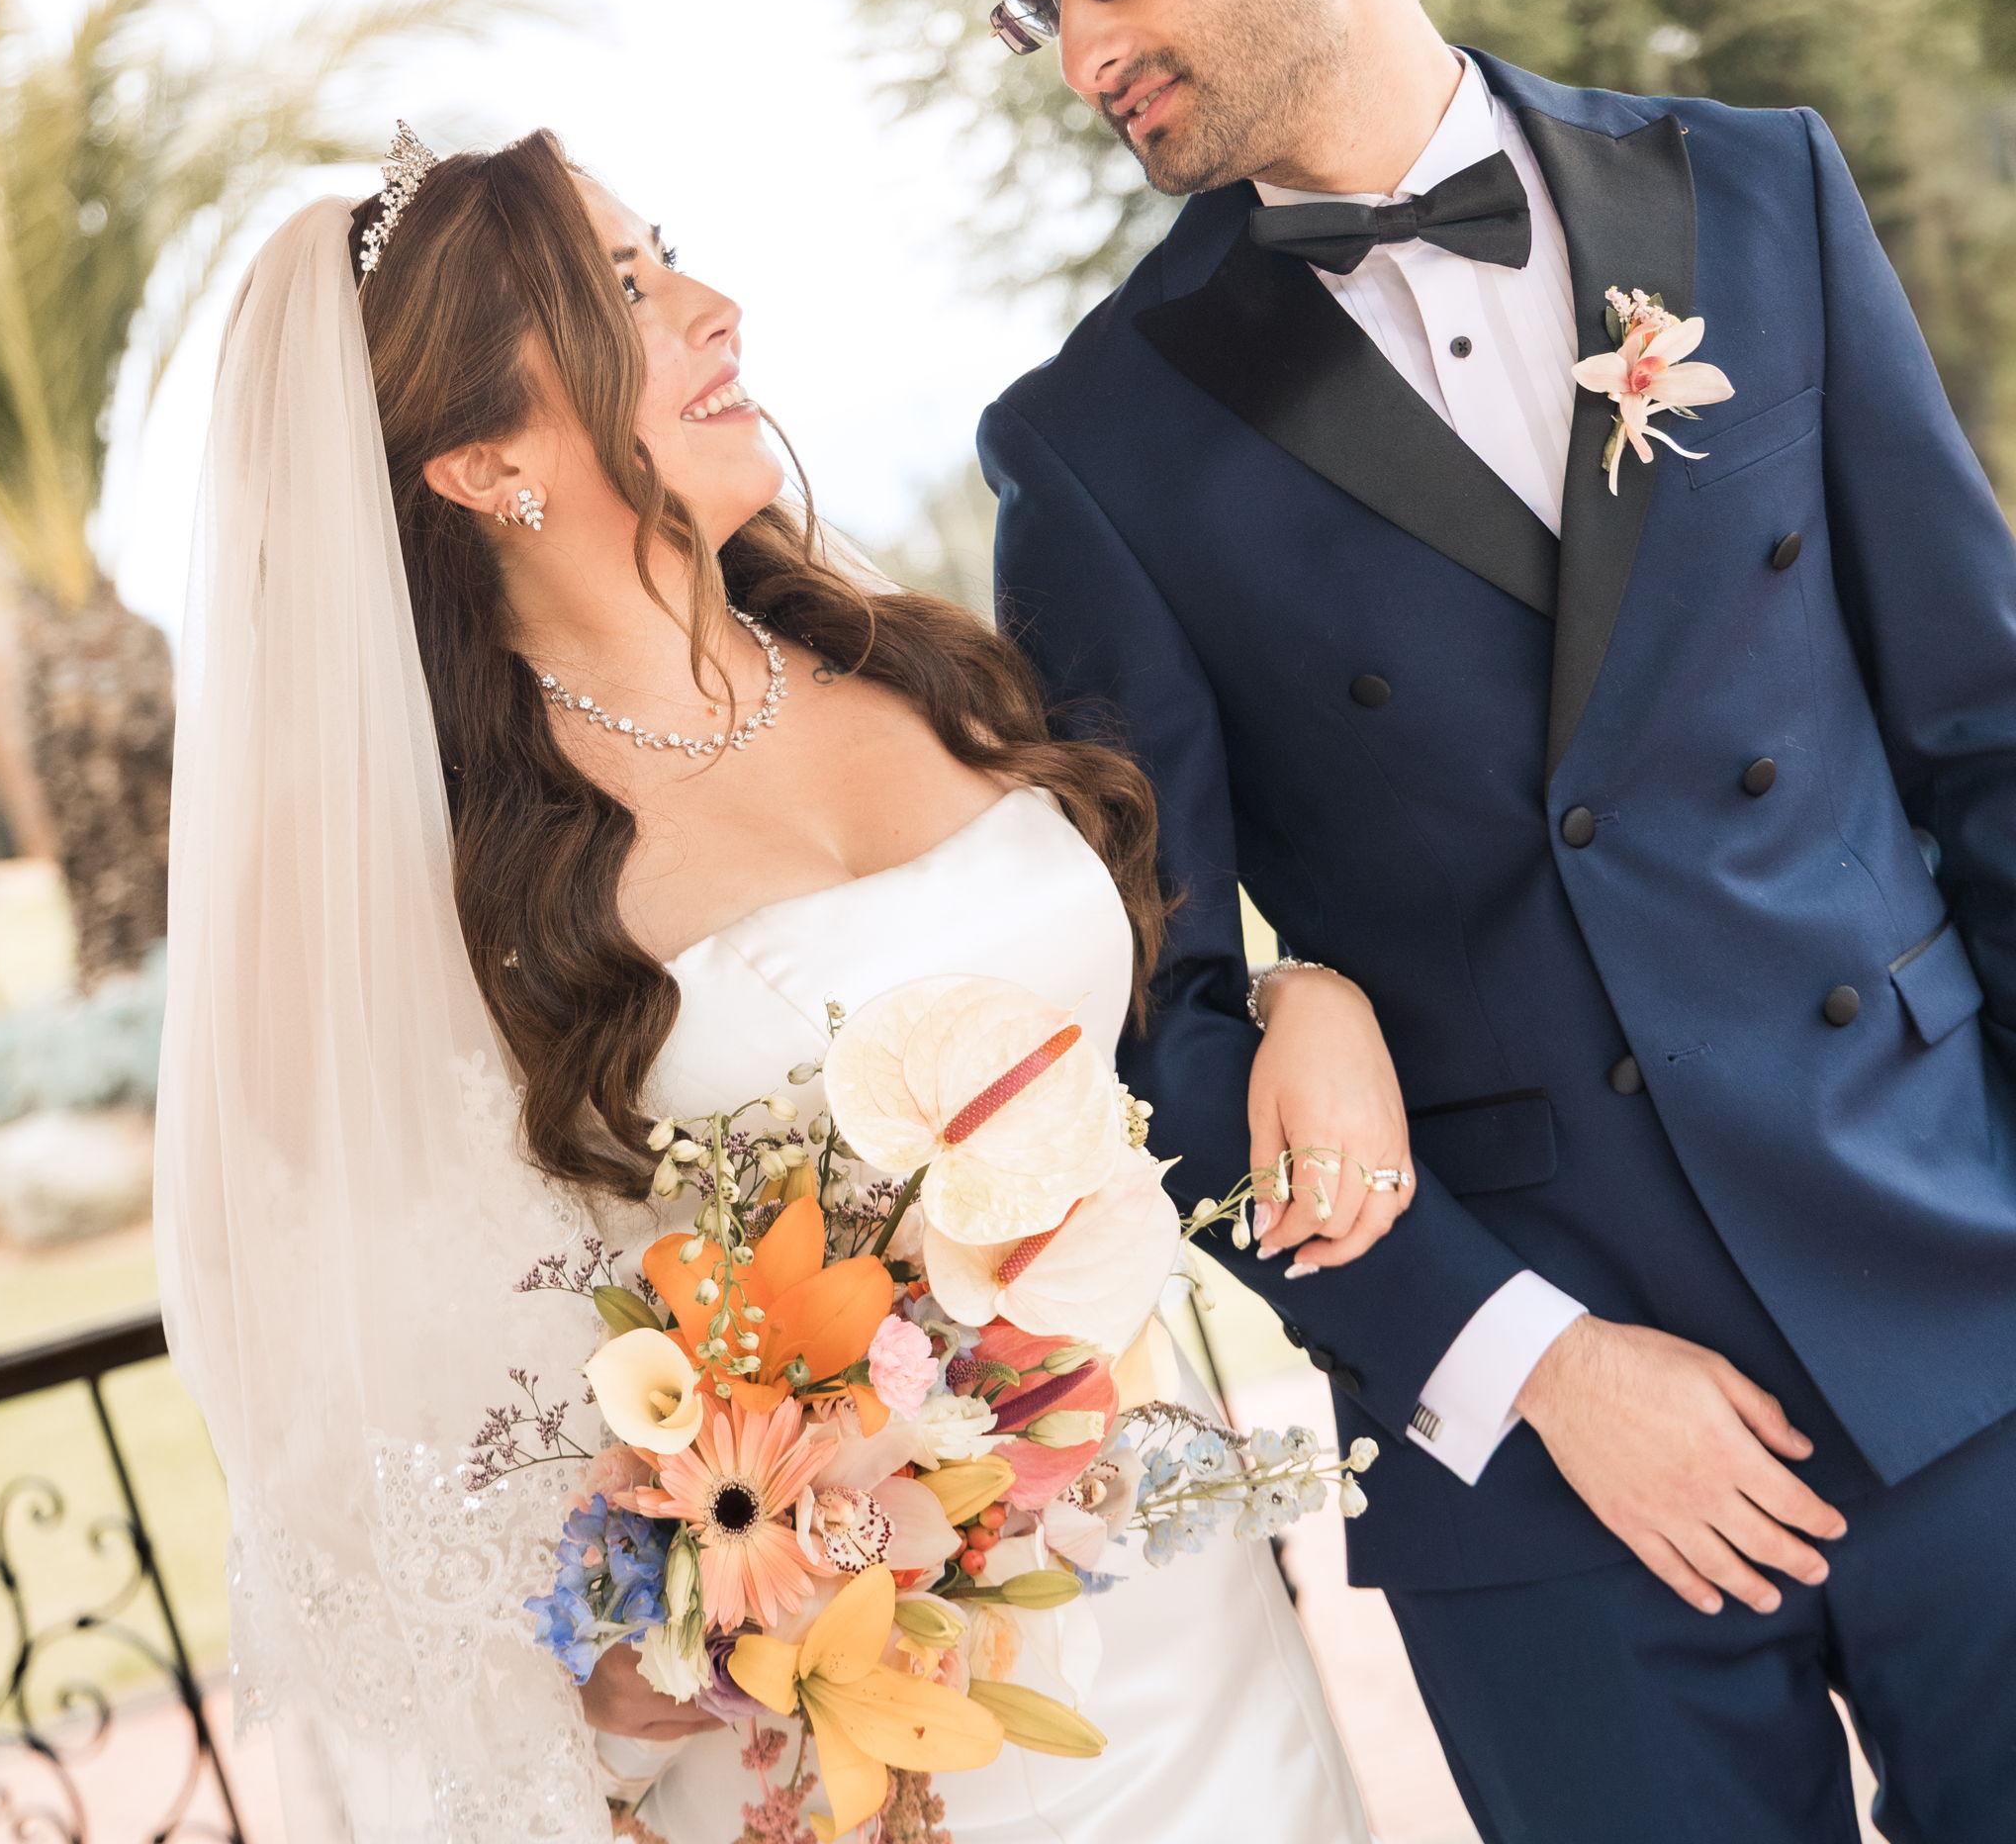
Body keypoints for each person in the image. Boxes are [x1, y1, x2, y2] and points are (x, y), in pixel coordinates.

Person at [942, 0, 2016, 1838]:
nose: (1083, 50)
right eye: (1039, 4)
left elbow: (1981, 736)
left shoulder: (1754, 190)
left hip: (1958, 1307)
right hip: (1540, 1477)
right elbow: (1144, 1027)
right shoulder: (1094, 446)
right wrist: (1527, 1361)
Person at [153, 127, 1376, 1842]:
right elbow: (347, 1385)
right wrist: (611, 1670)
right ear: (485, 460)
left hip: (1188, 1625)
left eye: (672, 256)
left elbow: (1138, 1019)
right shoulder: (450, 880)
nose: (715, 308)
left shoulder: (912, 662)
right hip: (845, 1738)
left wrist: (1314, 995)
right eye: (625, 294)